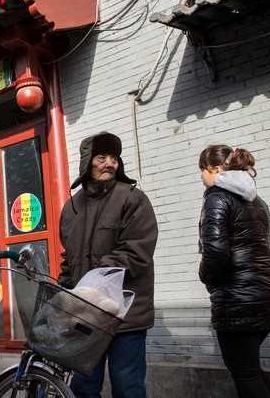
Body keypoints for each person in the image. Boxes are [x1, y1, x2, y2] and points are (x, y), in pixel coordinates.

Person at [58, 132, 158, 398]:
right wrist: (65, 293)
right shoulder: (71, 208)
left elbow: (136, 251)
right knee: (82, 388)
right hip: (86, 317)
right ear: (87, 162)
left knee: (127, 388)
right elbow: (69, 260)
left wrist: (94, 278)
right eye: (101, 157)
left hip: (125, 315)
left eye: (114, 158)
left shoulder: (133, 199)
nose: (109, 164)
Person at [197, 145, 270, 398]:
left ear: (214, 169)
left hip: (237, 298)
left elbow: (215, 252)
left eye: (202, 170)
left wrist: (206, 278)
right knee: (251, 370)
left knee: (245, 374)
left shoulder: (217, 197)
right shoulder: (258, 201)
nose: (202, 177)